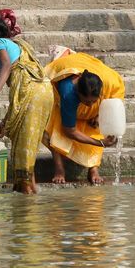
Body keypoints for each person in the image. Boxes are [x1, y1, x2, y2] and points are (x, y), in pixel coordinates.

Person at [0, 15, 53, 194]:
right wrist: (7, 120)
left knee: (23, 146)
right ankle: (32, 190)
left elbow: (6, 66)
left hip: (31, 93)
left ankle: (27, 203)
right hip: (44, 91)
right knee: (25, 143)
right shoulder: (16, 44)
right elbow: (18, 97)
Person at [43, 51, 123, 185]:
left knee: (96, 127)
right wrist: (101, 143)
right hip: (55, 90)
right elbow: (69, 131)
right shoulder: (68, 93)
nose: (91, 105)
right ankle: (59, 168)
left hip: (88, 66)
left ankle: (93, 169)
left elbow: (117, 95)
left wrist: (98, 114)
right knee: (54, 128)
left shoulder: (110, 81)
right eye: (87, 102)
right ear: (78, 93)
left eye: (94, 102)